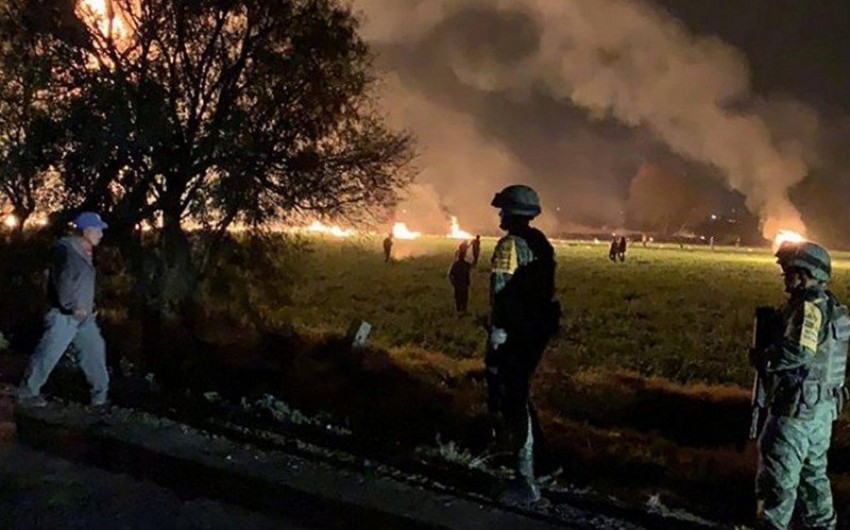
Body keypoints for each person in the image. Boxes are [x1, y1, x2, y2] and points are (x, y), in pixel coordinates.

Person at [752, 241, 848, 530]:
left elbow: (800, 352)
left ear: (806, 273)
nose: (785, 277)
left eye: (789, 271)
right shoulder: (835, 309)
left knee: (777, 477)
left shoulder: (807, 308)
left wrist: (765, 358)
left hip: (796, 411)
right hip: (822, 411)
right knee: (813, 476)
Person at [486, 184, 560, 505]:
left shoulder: (508, 246)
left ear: (513, 214)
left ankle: (525, 480)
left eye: (504, 210)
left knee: (512, 399)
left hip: (513, 332)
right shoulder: (540, 242)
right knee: (520, 393)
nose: (500, 215)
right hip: (535, 331)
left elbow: (501, 293)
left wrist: (497, 334)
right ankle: (544, 464)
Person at [17, 212, 111, 408]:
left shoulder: (86, 251)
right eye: (98, 230)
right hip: (65, 316)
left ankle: (100, 400)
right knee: (48, 354)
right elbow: (62, 281)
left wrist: (90, 306)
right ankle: (27, 394)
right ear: (86, 231)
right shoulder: (66, 251)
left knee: (95, 354)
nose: (101, 234)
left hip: (84, 317)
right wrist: (72, 306)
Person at [448, 249, 472, 314]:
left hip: (457, 285)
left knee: (458, 299)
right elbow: (472, 266)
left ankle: (459, 311)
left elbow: (450, 274)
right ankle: (464, 311)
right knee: (464, 299)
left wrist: (453, 282)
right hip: (464, 285)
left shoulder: (455, 265)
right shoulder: (466, 264)